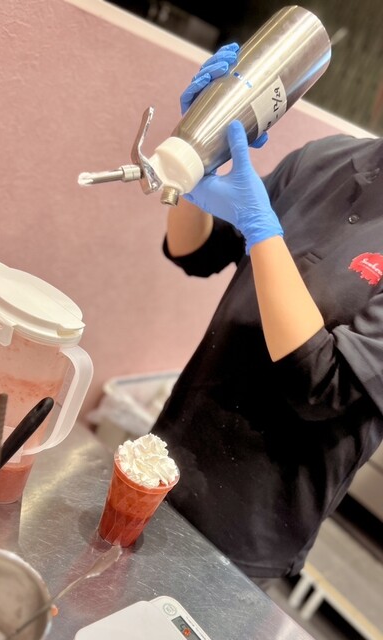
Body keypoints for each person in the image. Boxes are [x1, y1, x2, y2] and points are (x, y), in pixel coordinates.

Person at [151, 43, 383, 584]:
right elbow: (197, 252)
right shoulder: (325, 160)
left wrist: (263, 230)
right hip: (168, 458)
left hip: (252, 526)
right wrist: (194, 156)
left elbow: (320, 383)